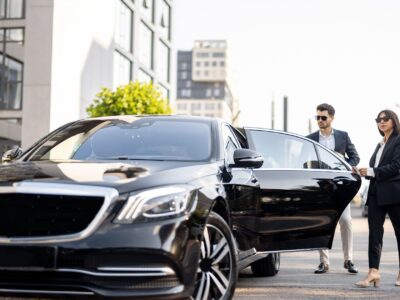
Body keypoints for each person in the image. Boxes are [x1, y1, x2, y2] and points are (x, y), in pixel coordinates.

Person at [307, 103, 360, 274]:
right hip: (321, 187)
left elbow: (355, 157)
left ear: (332, 118)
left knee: (346, 221)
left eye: (323, 117)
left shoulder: (343, 136)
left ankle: (348, 260)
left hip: (340, 186)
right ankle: (324, 262)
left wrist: (345, 166)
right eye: (318, 117)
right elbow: (304, 159)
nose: (320, 120)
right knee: (323, 222)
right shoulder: (310, 138)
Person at [355, 109, 400, 288]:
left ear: (394, 121)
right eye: (378, 119)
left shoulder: (398, 140)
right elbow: (377, 169)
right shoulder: (380, 143)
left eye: (385, 118)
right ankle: (373, 271)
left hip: (395, 194)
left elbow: (396, 167)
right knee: (374, 234)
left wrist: (372, 171)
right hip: (375, 194)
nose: (381, 122)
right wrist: (363, 171)